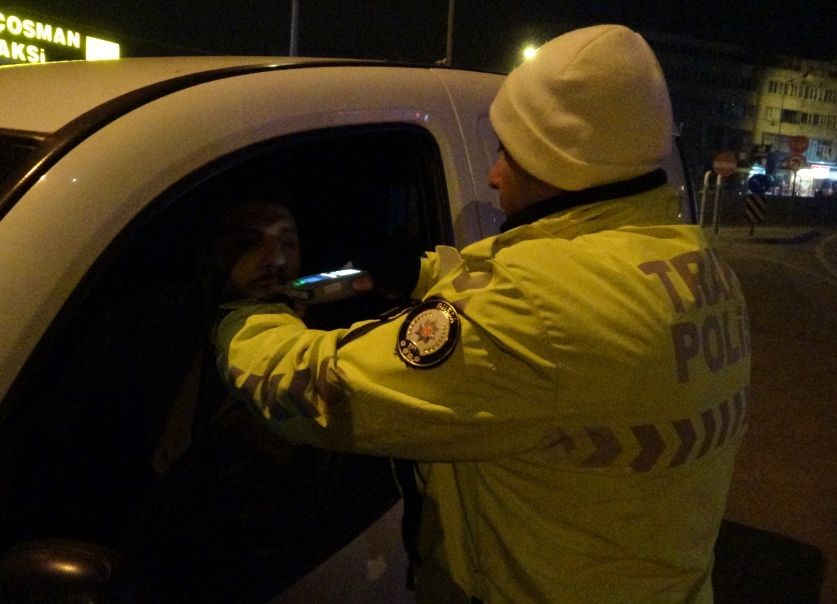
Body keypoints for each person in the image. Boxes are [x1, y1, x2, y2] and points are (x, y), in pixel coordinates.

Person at [215, 24, 751, 603]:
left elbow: (323, 390)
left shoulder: (535, 309)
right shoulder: (698, 263)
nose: (492, 174)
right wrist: (407, 273)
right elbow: (552, 307)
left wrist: (242, 321)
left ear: (559, 162)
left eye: (508, 154)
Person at [139, 195, 399, 602]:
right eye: (248, 242)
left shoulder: (319, 337)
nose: (275, 259)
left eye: (287, 243)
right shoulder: (167, 341)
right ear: (211, 254)